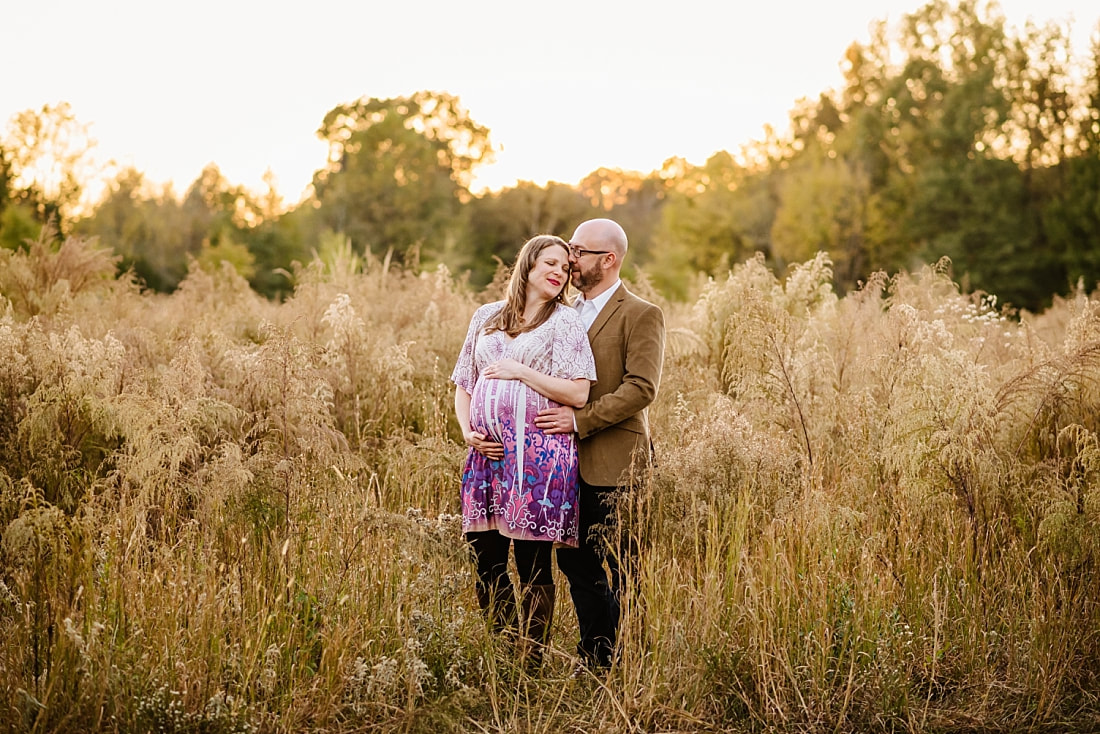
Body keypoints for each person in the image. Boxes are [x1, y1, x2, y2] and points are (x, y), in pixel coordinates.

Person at [451, 234, 597, 667]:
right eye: (550, 263)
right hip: (487, 457)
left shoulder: (565, 321)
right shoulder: (486, 317)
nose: (559, 273)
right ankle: (502, 649)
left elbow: (578, 392)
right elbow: (464, 383)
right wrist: (467, 432)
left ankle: (529, 660)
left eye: (566, 268)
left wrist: (520, 372)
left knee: (532, 560)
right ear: (528, 265)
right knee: (485, 556)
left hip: (538, 460)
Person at [535, 218, 665, 672]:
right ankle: (598, 656)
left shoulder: (641, 313)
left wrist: (579, 420)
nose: (570, 258)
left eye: (578, 250)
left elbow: (641, 388)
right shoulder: (559, 313)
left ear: (607, 260)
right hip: (562, 465)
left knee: (626, 568)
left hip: (617, 463)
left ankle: (633, 660)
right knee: (574, 565)